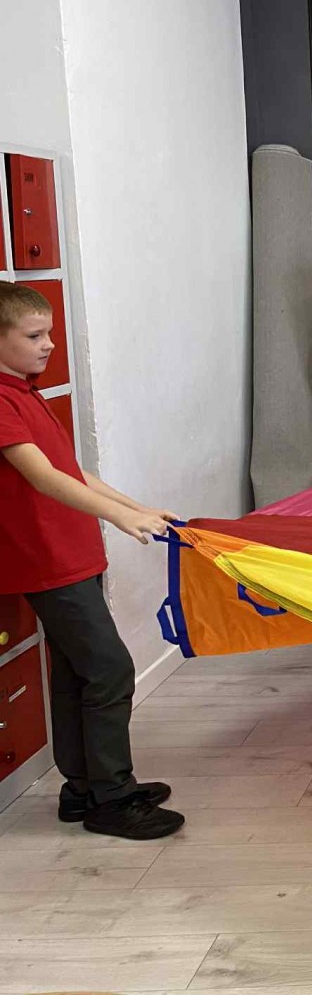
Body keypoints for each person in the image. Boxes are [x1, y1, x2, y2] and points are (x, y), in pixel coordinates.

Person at [0, 282, 183, 840]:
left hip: (72, 556)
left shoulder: (25, 391)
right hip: (49, 563)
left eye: (50, 333)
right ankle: (113, 798)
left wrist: (135, 507)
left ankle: (83, 789)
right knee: (109, 670)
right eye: (35, 335)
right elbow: (43, 478)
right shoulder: (2, 401)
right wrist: (121, 518)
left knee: (77, 674)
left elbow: (73, 471)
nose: (49, 345)